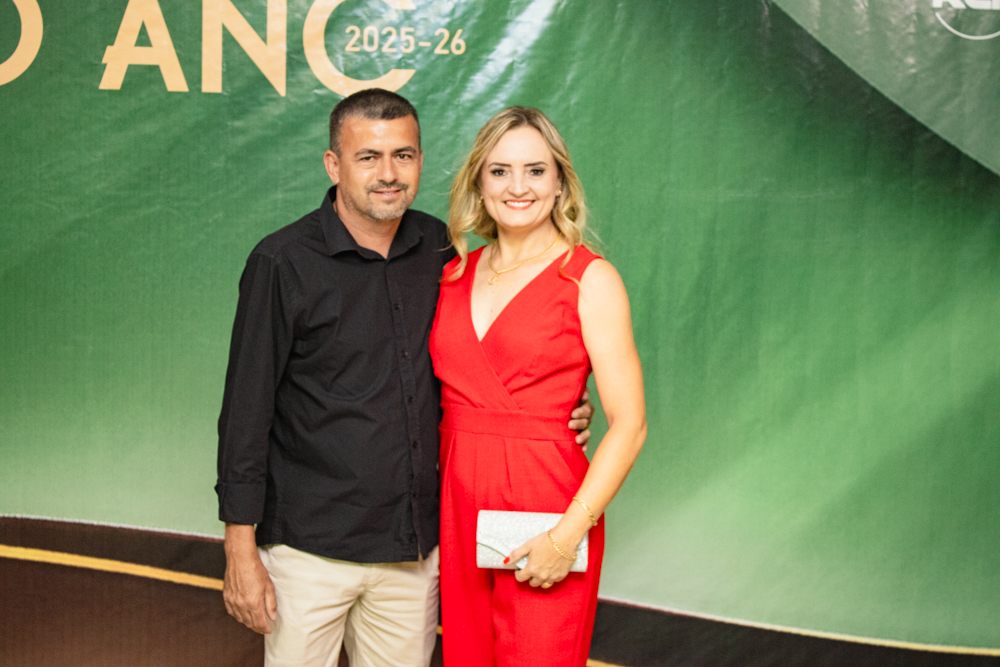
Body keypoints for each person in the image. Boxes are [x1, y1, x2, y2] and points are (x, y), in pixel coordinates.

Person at [215, 90, 593, 667]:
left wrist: (558, 405)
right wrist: (239, 551)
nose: (388, 173)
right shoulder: (282, 262)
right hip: (308, 550)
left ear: (420, 160)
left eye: (404, 155)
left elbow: (481, 359)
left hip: (412, 551)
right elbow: (245, 415)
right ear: (333, 164)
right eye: (368, 157)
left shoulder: (443, 251)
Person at [430, 107, 647, 666]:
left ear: (559, 183)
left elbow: (630, 425)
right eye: (500, 171)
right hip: (456, 505)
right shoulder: (452, 274)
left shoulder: (589, 278)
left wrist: (566, 536)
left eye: (535, 170)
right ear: (479, 182)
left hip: (547, 510)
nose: (518, 187)